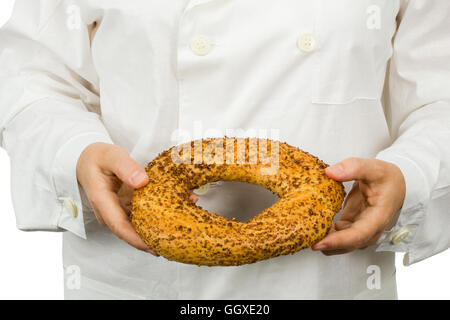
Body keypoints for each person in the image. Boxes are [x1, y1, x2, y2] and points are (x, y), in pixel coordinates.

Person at [0, 0, 449, 299]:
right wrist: (75, 151)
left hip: (324, 281)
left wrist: (410, 171)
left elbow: (440, 95)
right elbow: (28, 79)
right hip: (137, 277)